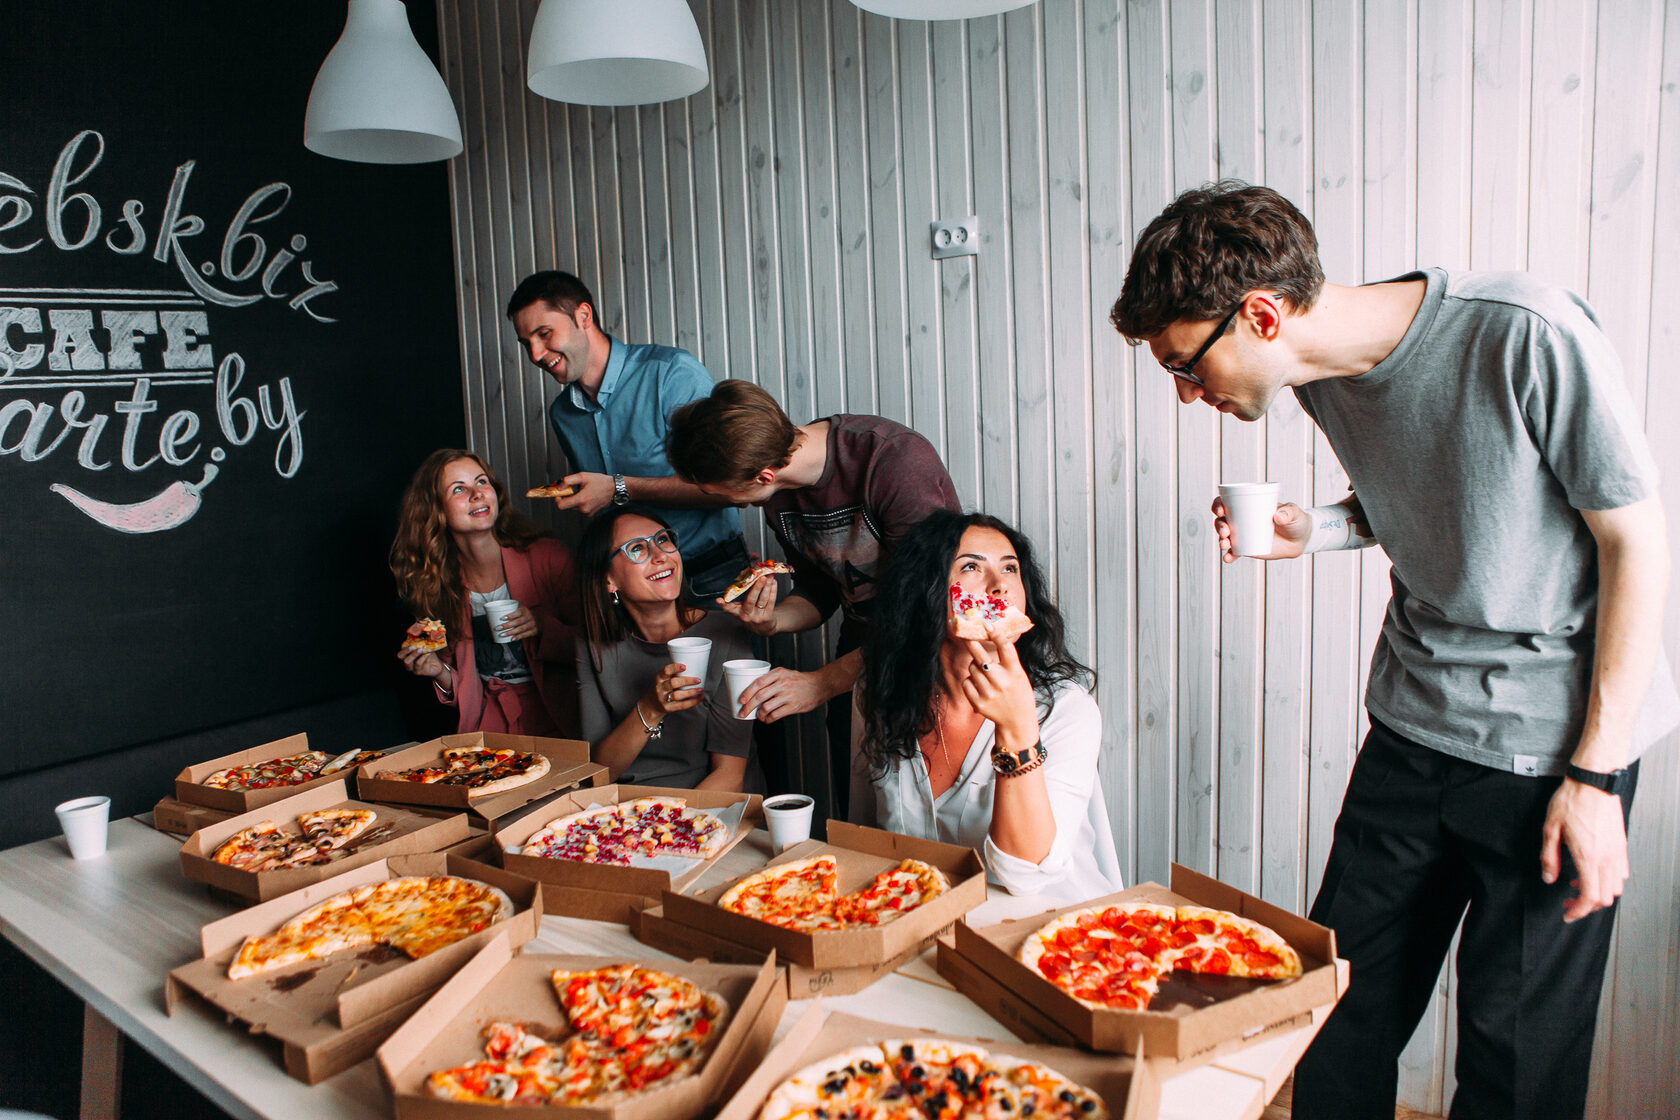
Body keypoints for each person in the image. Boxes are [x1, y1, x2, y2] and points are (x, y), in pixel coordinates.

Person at [1110, 180, 1678, 1120]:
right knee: (1336, 1017)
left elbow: (1635, 540)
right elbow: (1449, 494)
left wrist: (1595, 780)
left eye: (1185, 366)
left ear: (1260, 314)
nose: (1185, 393)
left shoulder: (1525, 331)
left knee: (1515, 1068)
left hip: (1552, 752)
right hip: (1412, 731)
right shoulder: (1316, 378)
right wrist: (1316, 531)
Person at [665, 379, 962, 811]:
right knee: (860, 801)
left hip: (937, 651)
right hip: (862, 643)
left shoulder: (894, 461)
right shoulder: (774, 494)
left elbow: (929, 609)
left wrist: (823, 682)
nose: (724, 502)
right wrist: (775, 620)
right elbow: (821, 590)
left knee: (925, 807)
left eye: (720, 493)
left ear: (762, 475)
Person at [851, 510, 1121, 902]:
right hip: (930, 931)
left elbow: (1025, 876)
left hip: (1059, 933)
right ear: (924, 588)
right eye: (972, 567)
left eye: (1010, 569)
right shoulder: (875, 694)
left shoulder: (1067, 709)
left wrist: (1017, 728)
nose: (1000, 587)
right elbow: (864, 840)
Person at [506, 270, 748, 603]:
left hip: (709, 577)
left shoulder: (670, 372)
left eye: (544, 334)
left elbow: (732, 488)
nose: (535, 354)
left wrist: (617, 488)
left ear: (583, 315)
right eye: (525, 343)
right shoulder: (562, 414)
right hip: (630, 591)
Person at [391, 449, 582, 736]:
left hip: (562, 719)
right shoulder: (436, 584)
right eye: (459, 489)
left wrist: (543, 627)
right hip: (490, 729)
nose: (476, 493)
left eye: (482, 482)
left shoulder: (548, 557)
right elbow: (467, 685)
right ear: (436, 510)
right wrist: (437, 672)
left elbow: (600, 648)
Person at [574, 504, 764, 792]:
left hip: (708, 809)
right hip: (625, 807)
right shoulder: (592, 644)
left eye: (663, 539)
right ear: (608, 580)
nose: (661, 555)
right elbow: (599, 772)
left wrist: (666, 828)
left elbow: (730, 776)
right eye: (637, 549)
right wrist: (651, 708)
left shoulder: (726, 634)